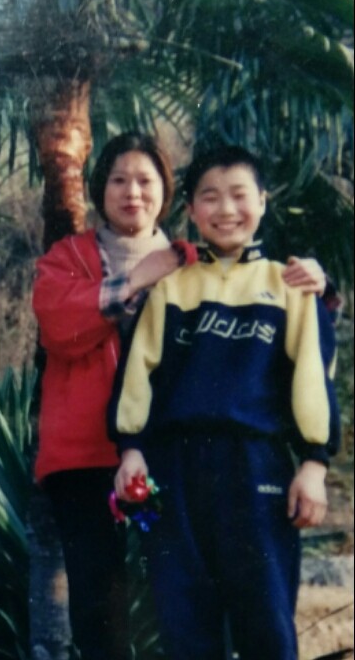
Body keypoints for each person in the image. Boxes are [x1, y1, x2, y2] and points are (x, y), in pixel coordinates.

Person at [31, 133, 328, 660]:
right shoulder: (79, 260)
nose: (132, 192)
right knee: (124, 604)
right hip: (110, 463)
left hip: (197, 466)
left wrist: (321, 283)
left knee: (230, 602)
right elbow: (68, 335)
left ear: (168, 196)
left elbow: (304, 357)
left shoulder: (199, 264)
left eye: (145, 181)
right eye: (119, 180)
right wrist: (133, 282)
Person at [109, 145, 340, 660]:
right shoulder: (170, 288)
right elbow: (137, 375)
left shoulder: (290, 285)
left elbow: (313, 379)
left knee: (266, 623)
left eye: (240, 195)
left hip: (256, 469)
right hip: (174, 471)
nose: (226, 209)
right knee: (184, 622)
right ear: (191, 210)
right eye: (210, 197)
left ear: (263, 201)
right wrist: (131, 450)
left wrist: (314, 463)